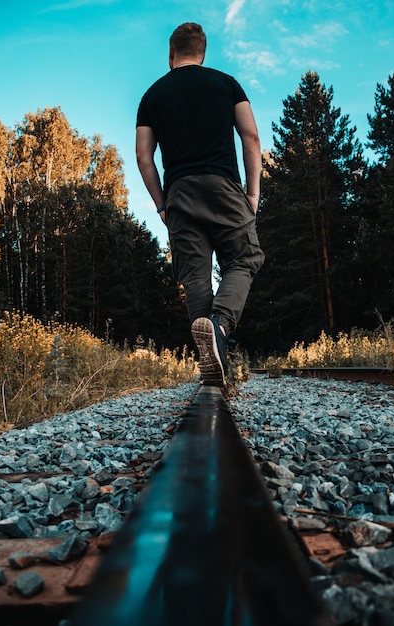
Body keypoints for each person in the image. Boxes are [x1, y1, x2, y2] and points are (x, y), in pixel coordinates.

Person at [136, 22, 265, 387]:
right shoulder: (226, 83)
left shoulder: (152, 95)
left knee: (194, 274)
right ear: (203, 53)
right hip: (224, 187)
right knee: (245, 258)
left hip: (179, 193)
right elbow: (251, 136)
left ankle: (210, 360)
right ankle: (220, 328)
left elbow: (144, 158)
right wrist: (253, 194)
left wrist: (162, 206)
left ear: (171, 53)